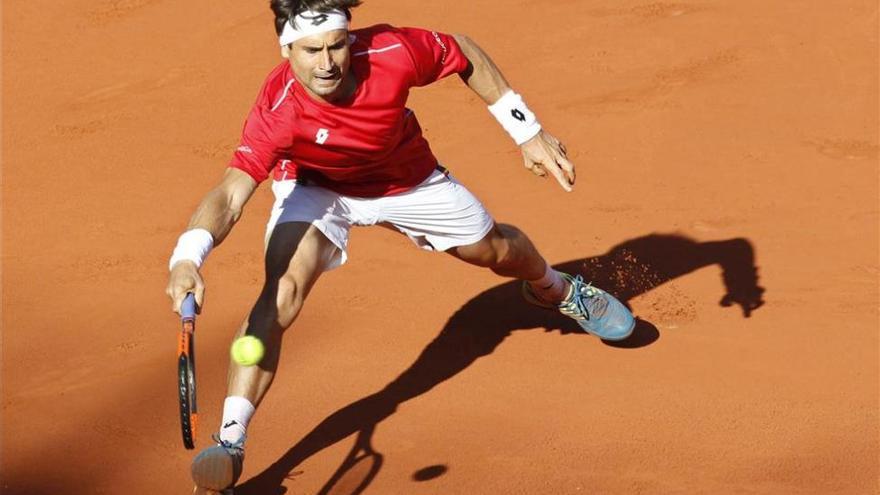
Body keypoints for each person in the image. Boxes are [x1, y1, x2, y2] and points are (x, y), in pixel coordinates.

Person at [165, 0, 635, 492]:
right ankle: (230, 441)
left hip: (406, 180)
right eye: (310, 51)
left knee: (496, 251)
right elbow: (230, 193)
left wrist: (528, 132)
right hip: (316, 190)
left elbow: (464, 52)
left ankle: (554, 288)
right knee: (279, 295)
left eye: (336, 46)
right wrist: (187, 257)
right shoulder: (276, 111)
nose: (327, 63)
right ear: (286, 49)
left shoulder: (392, 50)